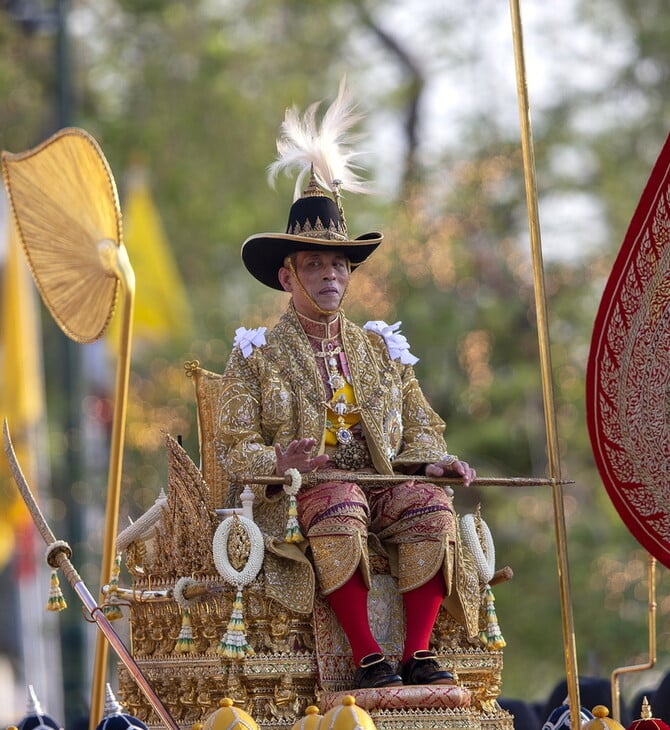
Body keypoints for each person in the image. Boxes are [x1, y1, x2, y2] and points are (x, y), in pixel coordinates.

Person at [216, 82, 480, 690]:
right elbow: (233, 445)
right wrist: (277, 460)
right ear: (288, 275)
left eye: (339, 263)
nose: (331, 274)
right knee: (340, 501)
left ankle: (416, 656)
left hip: (384, 482)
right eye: (314, 263)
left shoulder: (382, 347)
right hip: (302, 494)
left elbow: (421, 425)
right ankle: (367, 658)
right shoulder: (255, 353)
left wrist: (434, 462)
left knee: (430, 506)